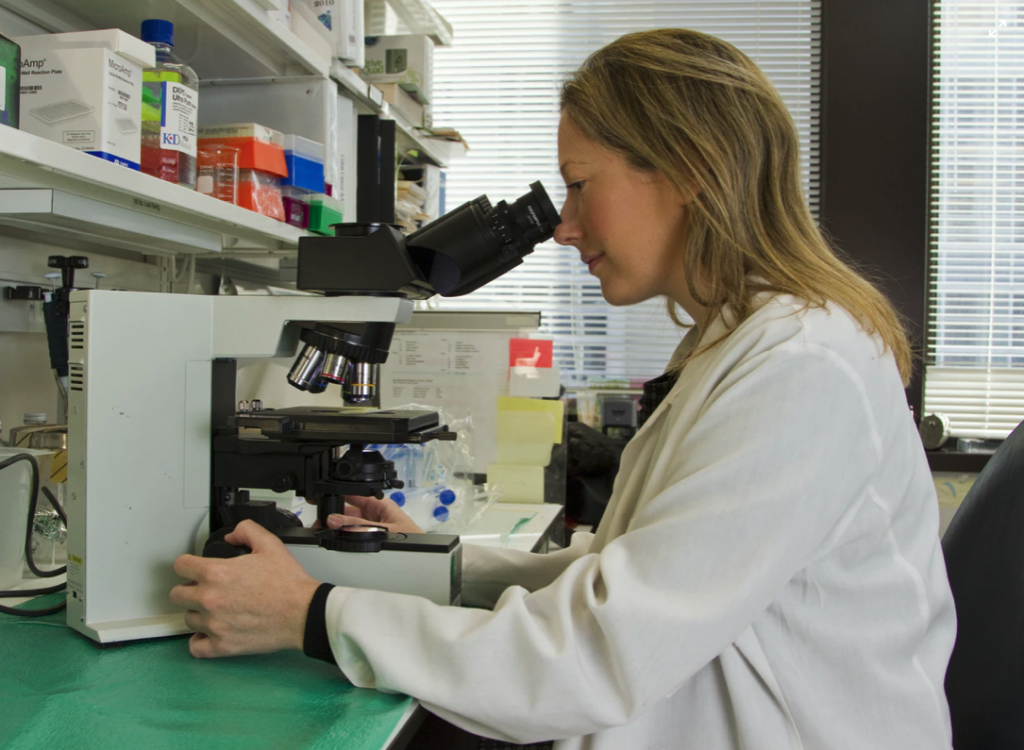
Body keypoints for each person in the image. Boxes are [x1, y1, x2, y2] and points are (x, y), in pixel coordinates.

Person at [170, 28, 956, 749]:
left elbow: (596, 653)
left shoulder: (800, 369)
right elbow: (630, 576)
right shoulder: (749, 343)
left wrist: (311, 616)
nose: (565, 225)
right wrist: (439, 558)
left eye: (580, 185)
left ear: (688, 171)